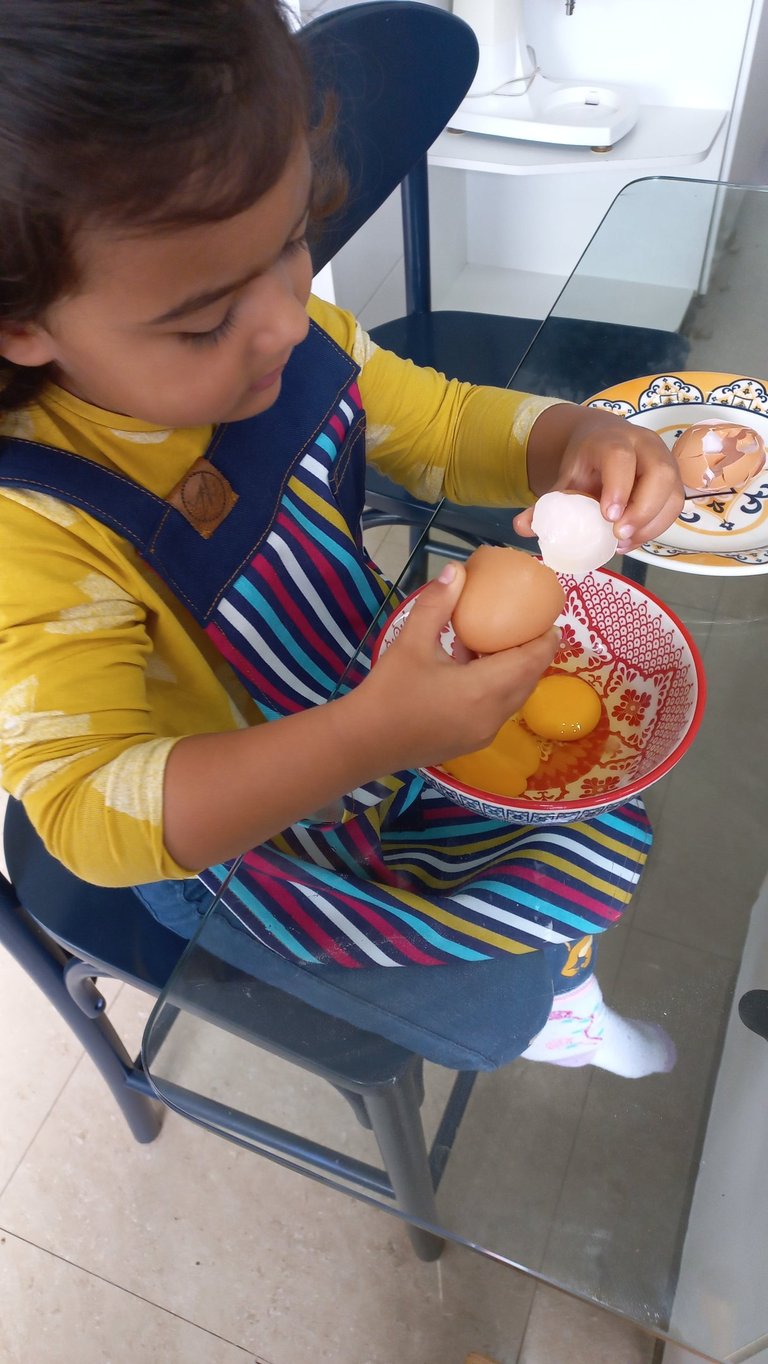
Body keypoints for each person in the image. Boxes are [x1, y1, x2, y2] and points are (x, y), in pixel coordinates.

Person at [0, 0, 683, 1075]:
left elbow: (447, 426)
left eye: (292, 245)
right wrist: (366, 736)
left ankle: (558, 962)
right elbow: (88, 809)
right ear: (22, 320)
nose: (284, 318)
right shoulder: (33, 525)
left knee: (583, 807)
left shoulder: (297, 339)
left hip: (372, 684)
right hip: (242, 835)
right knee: (490, 998)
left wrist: (573, 435)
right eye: (203, 321)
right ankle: (544, 1006)